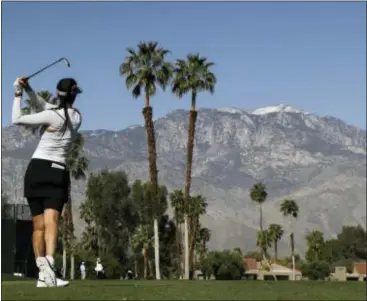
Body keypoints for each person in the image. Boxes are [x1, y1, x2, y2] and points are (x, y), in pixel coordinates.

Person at [12, 77, 83, 287]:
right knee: (52, 221)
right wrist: (29, 89)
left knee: (38, 226)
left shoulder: (51, 114)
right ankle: (49, 272)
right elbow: (45, 106)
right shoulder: (76, 116)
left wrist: (18, 93)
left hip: (35, 171)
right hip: (55, 172)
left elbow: (17, 118)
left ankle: (43, 276)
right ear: (74, 95)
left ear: (57, 93)